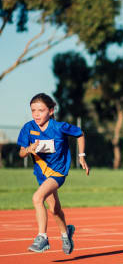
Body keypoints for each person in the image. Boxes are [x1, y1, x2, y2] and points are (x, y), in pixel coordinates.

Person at [17, 93, 89, 254]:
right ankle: (66, 234)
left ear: (50, 111)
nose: (36, 114)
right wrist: (29, 149)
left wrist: (81, 156)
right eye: (33, 110)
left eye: (40, 110)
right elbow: (21, 152)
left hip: (58, 172)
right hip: (41, 173)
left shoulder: (59, 127)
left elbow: (80, 134)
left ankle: (42, 237)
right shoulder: (28, 128)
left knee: (37, 198)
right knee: (54, 209)